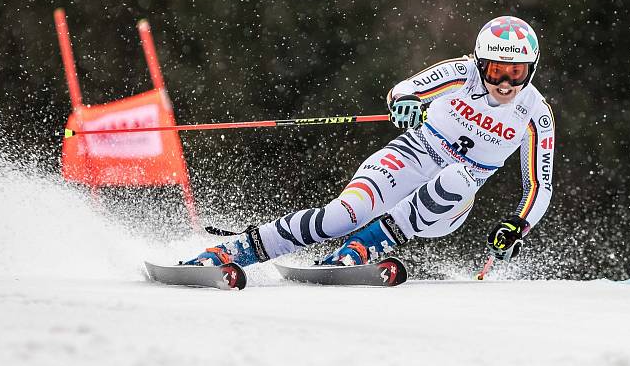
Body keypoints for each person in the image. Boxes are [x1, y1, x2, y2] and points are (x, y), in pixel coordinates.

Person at [182, 15, 555, 268]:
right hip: (410, 156)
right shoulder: (463, 72)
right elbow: (407, 89)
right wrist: (406, 103)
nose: (505, 83)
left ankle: (363, 248)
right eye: (495, 70)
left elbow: (540, 183)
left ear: (531, 69)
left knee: (459, 177)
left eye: (516, 73)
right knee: (342, 215)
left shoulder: (535, 114)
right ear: (480, 63)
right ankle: (234, 251)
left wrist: (517, 224)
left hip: (448, 205)